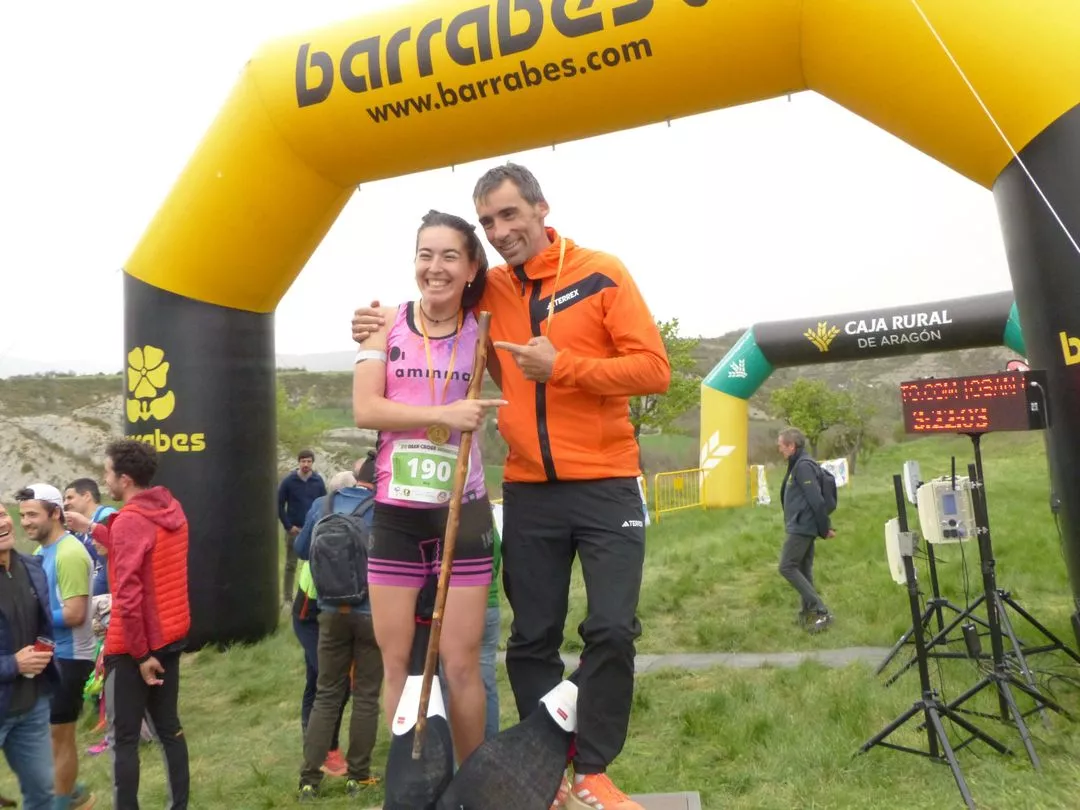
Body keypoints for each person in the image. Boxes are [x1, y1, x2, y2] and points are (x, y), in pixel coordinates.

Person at [351, 164, 671, 810]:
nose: (500, 231)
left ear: (540, 208)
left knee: (610, 629)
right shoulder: (488, 287)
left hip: (606, 480)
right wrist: (377, 321)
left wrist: (566, 367)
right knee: (532, 640)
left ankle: (595, 769)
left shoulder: (601, 271)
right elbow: (433, 300)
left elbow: (655, 370)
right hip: (528, 487)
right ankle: (544, 776)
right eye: (490, 221)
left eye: (509, 216)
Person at [352, 209, 505, 766]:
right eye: (425, 254)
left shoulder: (486, 327)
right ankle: (411, 788)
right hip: (396, 516)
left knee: (461, 665)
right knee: (399, 665)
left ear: (470, 268)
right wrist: (447, 413)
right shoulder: (383, 324)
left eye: (448, 256)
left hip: (461, 515)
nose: (434, 268)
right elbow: (366, 409)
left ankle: (473, 787)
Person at [67, 438, 191, 810]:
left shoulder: (132, 521)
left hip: (135, 645)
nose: (104, 480)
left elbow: (130, 596)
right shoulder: (169, 507)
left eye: (107, 472)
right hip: (170, 634)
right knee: (169, 728)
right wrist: (92, 526)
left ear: (124, 478)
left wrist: (139, 655)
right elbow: (136, 546)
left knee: (123, 739)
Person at [293, 467, 383, 801]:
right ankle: (358, 777)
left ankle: (308, 780)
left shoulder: (323, 504)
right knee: (366, 695)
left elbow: (302, 549)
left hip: (329, 611)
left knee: (327, 693)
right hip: (372, 612)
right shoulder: (384, 508)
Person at [15, 483, 97, 810]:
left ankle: (63, 802)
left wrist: (34, 619)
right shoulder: (39, 553)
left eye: (32, 514)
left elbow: (76, 614)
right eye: (22, 515)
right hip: (47, 657)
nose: (26, 522)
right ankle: (72, 792)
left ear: (55, 513)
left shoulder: (70, 553)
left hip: (70, 657)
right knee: (40, 738)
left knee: (59, 738)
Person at [0, 501, 60, 810]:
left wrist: (43, 648)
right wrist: (14, 664)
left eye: (1, 514)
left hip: (31, 706)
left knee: (43, 793)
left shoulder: (31, 566)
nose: (2, 523)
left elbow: (46, 624)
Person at [777, 427, 835, 633]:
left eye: (781, 446)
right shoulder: (798, 464)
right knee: (802, 568)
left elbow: (816, 500)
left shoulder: (803, 467)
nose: (780, 450)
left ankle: (821, 609)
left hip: (803, 526)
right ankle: (807, 613)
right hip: (802, 524)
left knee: (786, 566)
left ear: (792, 446)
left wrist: (824, 528)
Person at [278, 450, 327, 603]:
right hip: (294, 530)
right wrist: (288, 526)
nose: (306, 464)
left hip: (313, 531)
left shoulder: (318, 482)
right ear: (298, 462)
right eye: (303, 461)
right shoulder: (289, 481)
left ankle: (310, 598)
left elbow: (324, 504)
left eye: (308, 461)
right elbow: (279, 504)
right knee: (290, 565)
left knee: (313, 564)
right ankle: (287, 599)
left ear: (312, 463)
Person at [63, 479, 117, 598]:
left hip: (107, 595)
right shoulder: (79, 531)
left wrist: (89, 597)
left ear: (87, 496)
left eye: (70, 498)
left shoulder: (107, 515)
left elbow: (110, 559)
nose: (65, 503)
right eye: (64, 499)